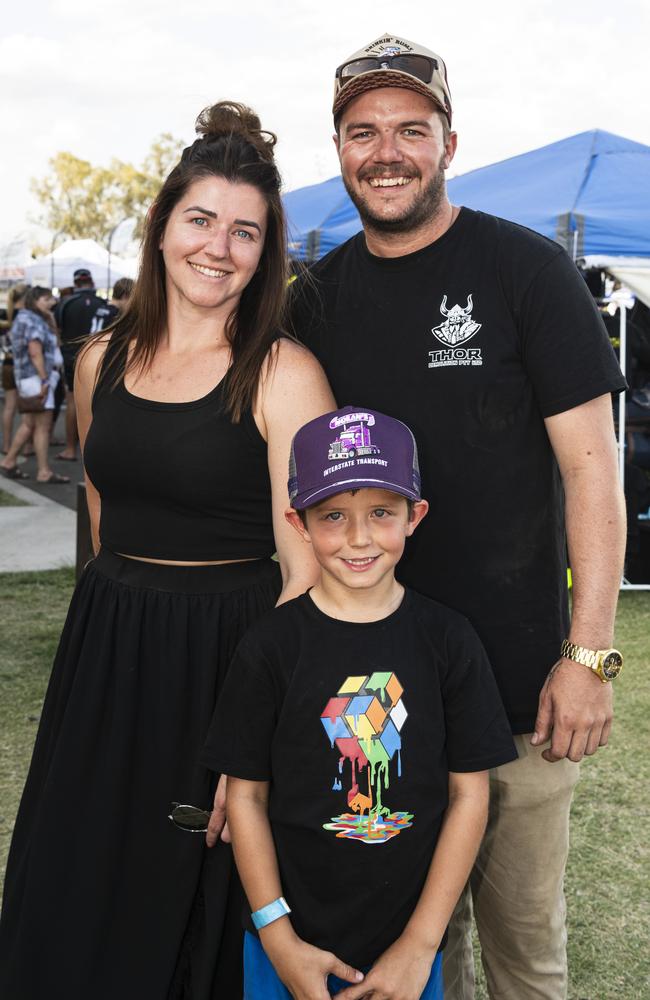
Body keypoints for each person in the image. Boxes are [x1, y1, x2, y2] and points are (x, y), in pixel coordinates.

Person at [288, 33, 627, 1000]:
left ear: (448, 140)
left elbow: (592, 479)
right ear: (341, 148)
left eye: (410, 128)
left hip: (521, 695)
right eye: (362, 132)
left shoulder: (528, 272)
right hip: (379, 702)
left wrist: (589, 656)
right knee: (408, 959)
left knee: (525, 958)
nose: (385, 151)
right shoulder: (319, 299)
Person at [0, 100, 334, 1000]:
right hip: (106, 653)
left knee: (188, 898)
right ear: (160, 228)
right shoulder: (98, 359)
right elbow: (105, 522)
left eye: (245, 232)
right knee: (79, 878)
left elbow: (307, 574)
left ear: (266, 253)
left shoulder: (283, 373)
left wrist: (252, 739)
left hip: (225, 662)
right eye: (200, 220)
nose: (217, 248)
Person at [201, 405, 518, 1000]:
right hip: (285, 946)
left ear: (414, 515)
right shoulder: (269, 646)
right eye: (333, 516)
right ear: (298, 522)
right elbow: (244, 796)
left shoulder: (450, 640)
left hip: (406, 949)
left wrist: (421, 944)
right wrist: (276, 935)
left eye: (380, 512)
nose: (358, 537)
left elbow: (470, 793)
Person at [1, 285, 69, 485]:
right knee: (42, 426)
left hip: (31, 378)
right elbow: (34, 351)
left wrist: (50, 317)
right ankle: (43, 471)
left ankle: (9, 461)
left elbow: (51, 343)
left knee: (30, 423)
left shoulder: (31, 317)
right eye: (46, 299)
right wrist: (45, 380)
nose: (52, 302)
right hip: (37, 378)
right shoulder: (31, 319)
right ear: (35, 300)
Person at [54, 266, 109, 461]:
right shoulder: (103, 303)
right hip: (99, 356)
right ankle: (95, 451)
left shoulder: (66, 303)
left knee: (72, 402)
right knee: (99, 403)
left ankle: (70, 449)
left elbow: (57, 332)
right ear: (91, 282)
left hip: (72, 357)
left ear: (75, 283)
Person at [1, 282, 29, 455]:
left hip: (7, 364)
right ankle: (27, 446)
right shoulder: (29, 317)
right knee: (28, 410)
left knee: (9, 407)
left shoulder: (6, 315)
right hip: (25, 367)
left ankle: (6, 444)